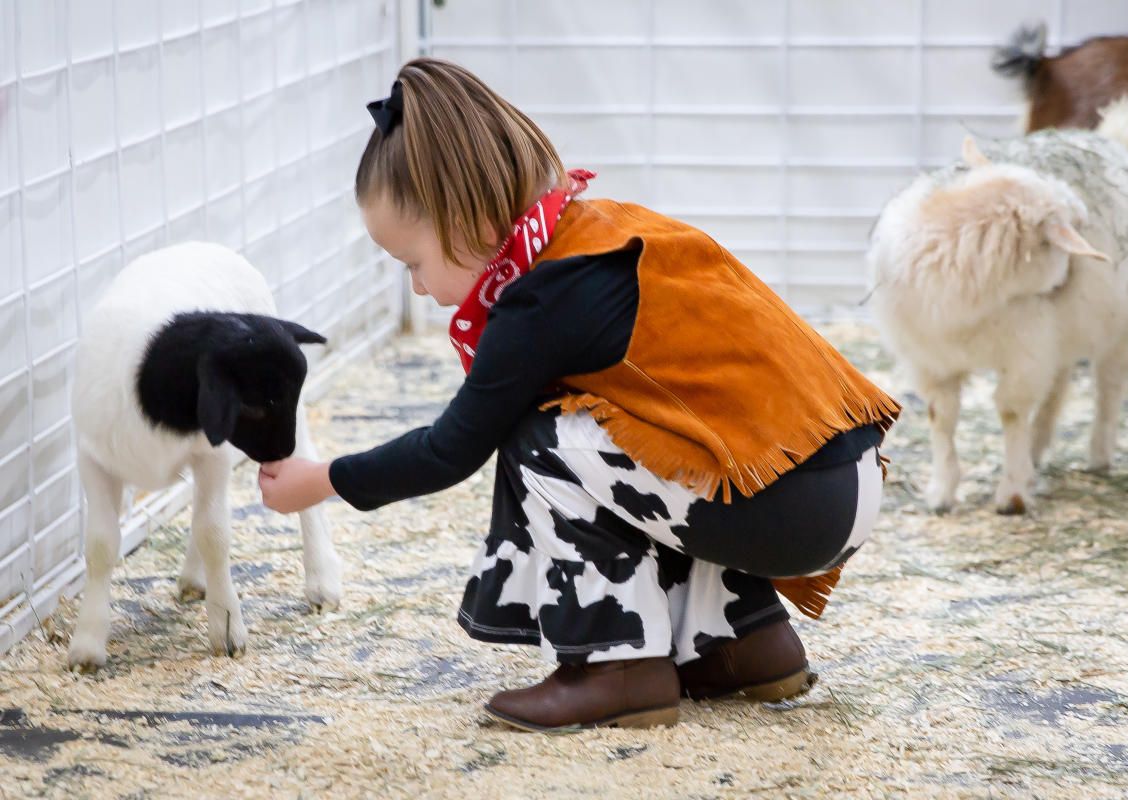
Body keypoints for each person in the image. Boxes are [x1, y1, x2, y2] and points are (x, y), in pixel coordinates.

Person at [259, 57, 901, 733]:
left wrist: (323, 479)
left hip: (791, 503)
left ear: (464, 216)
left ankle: (613, 665)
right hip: (837, 480)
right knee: (633, 437)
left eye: (412, 262)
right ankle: (743, 641)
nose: (417, 287)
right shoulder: (598, 229)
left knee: (540, 436)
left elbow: (452, 449)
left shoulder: (542, 297)